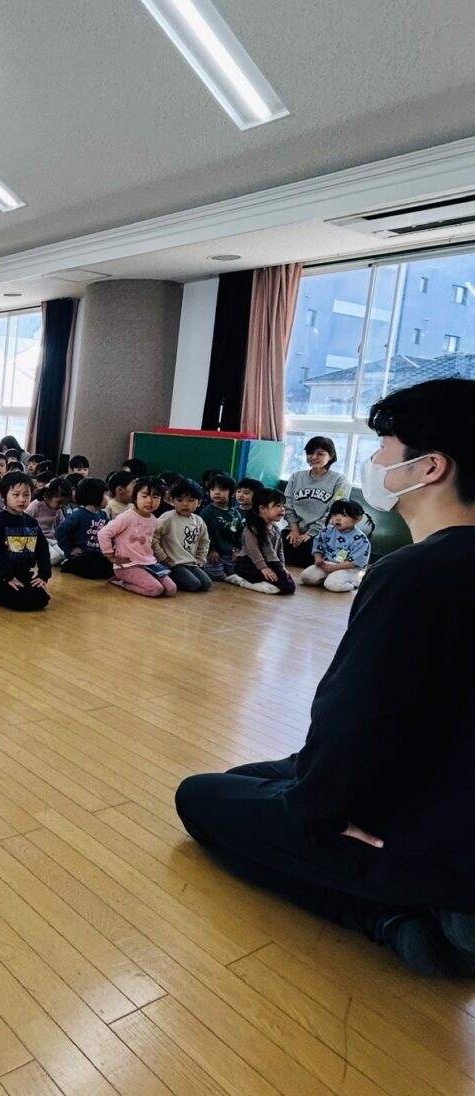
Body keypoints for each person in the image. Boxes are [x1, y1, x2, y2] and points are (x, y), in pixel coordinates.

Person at [177, 377, 475, 976]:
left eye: (385, 447)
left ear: (431, 466)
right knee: (247, 778)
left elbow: (355, 717)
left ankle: (393, 919)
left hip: (426, 843)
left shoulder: (412, 574)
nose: (377, 462)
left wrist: (321, 811)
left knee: (202, 797)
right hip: (448, 792)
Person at [0, 471, 51, 611]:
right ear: (4, 496)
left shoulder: (31, 522)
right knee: (23, 602)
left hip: (24, 575)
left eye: (26, 495)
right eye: (16, 495)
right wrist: (8, 577)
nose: (22, 499)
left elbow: (43, 549)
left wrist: (43, 575)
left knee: (42, 599)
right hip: (3, 578)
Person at [98, 476, 176, 597]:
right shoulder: (127, 517)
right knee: (156, 589)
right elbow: (103, 533)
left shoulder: (154, 520)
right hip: (127, 566)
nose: (149, 501)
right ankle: (122, 582)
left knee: (171, 590)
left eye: (155, 497)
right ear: (135, 497)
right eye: (144, 496)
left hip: (149, 563)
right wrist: (111, 556)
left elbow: (152, 543)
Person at [284, 437, 352, 569]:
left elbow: (334, 511)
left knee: (309, 556)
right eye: (310, 453)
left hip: (322, 532)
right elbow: (287, 504)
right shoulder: (296, 477)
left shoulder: (340, 481)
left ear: (331, 456)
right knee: (279, 550)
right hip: (295, 530)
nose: (313, 457)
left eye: (320, 454)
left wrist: (310, 533)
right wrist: (294, 529)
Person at [226, 488, 295, 595]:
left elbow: (279, 550)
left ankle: (255, 581)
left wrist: (282, 566)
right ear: (262, 509)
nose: (282, 509)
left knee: (289, 585)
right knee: (283, 587)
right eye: (277, 506)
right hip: (248, 564)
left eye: (283, 506)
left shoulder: (275, 528)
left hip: (269, 561)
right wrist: (264, 568)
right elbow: (253, 551)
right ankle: (241, 581)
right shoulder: (251, 529)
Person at [298, 499, 371, 593]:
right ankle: (329, 578)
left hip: (349, 569)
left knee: (333, 584)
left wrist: (335, 568)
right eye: (334, 514)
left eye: (344, 515)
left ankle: (355, 582)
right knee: (306, 577)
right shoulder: (327, 531)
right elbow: (318, 547)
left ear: (358, 518)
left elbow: (355, 562)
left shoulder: (361, 539)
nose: (337, 518)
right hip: (328, 564)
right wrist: (318, 559)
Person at [154, 480, 213, 592]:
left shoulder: (199, 521)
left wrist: (200, 559)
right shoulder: (168, 517)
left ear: (199, 502)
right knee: (194, 584)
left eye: (191, 500)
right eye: (180, 500)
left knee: (207, 584)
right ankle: (164, 577)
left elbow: (204, 541)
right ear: (172, 501)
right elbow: (153, 536)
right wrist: (162, 557)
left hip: (191, 562)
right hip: (173, 564)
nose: (185, 504)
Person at [56, 477, 114, 579]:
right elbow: (61, 531)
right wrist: (70, 549)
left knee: (110, 567)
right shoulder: (78, 515)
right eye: (105, 494)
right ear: (95, 495)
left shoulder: (103, 515)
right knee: (89, 563)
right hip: (82, 555)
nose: (108, 498)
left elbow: (109, 534)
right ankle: (68, 564)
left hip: (98, 555)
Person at [201, 472, 243, 580]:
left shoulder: (235, 514)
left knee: (237, 571)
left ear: (232, 493)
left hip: (229, 553)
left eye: (222, 489)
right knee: (217, 574)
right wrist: (211, 550)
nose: (217, 492)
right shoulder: (207, 512)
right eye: (213, 489)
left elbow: (238, 533)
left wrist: (237, 550)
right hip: (213, 553)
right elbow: (205, 534)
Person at [26, 474, 70, 566]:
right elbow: (24, 520)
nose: (61, 505)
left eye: (64, 503)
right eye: (59, 502)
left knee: (65, 555)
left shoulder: (58, 510)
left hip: (52, 539)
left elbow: (62, 525)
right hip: (38, 540)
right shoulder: (36, 505)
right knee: (55, 558)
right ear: (48, 495)